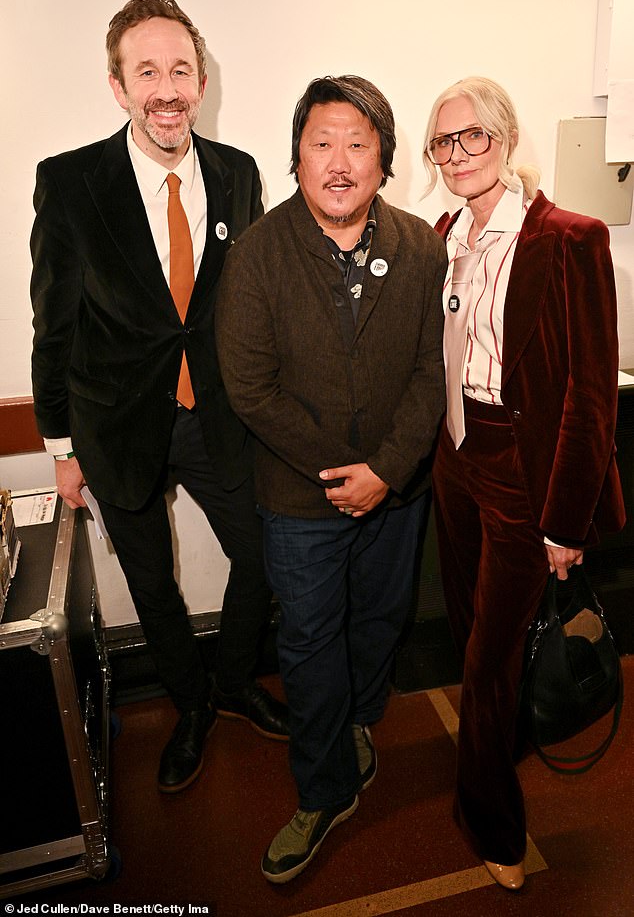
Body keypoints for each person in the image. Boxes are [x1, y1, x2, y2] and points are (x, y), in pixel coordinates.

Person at [30, 0, 288, 795]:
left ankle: (236, 678)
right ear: (118, 86)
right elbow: (54, 323)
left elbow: (252, 303)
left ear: (201, 79)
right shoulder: (70, 182)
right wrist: (61, 448)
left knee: (269, 555)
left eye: (180, 70)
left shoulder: (240, 173)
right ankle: (191, 704)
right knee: (152, 582)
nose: (167, 88)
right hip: (116, 431)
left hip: (219, 421)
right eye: (148, 71)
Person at [216, 75, 447, 882]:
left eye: (359, 143)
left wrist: (386, 471)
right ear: (297, 156)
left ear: (384, 158)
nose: (340, 162)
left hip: (398, 491)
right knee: (310, 644)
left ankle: (357, 723)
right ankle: (321, 789)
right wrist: (340, 474)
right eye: (323, 143)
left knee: (380, 621)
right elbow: (250, 387)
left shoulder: (422, 245)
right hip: (299, 500)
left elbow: (429, 372)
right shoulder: (255, 253)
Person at [422, 76, 626, 890]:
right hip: (454, 456)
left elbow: (589, 391)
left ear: (505, 140)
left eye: (474, 136)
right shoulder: (444, 234)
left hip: (518, 464)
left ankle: (491, 819)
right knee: (470, 622)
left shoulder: (569, 238)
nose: (459, 153)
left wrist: (565, 521)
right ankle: (495, 743)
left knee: (490, 655)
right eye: (444, 142)